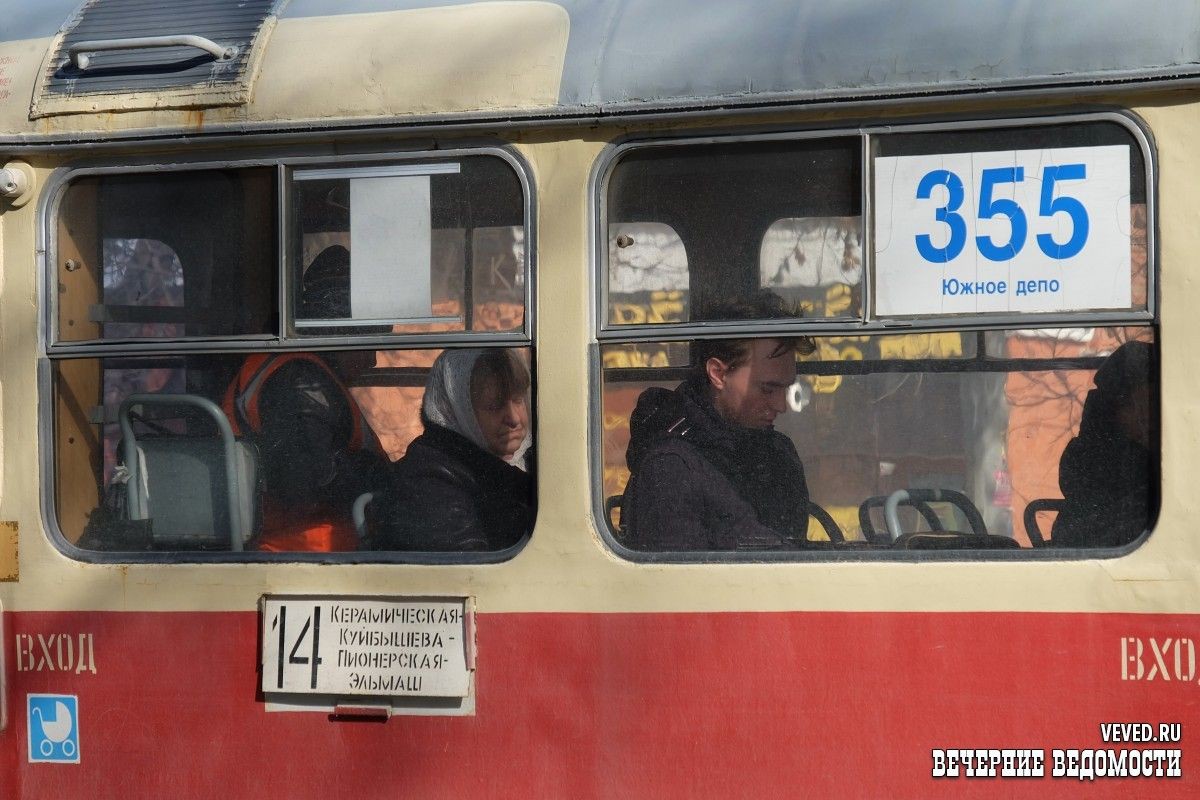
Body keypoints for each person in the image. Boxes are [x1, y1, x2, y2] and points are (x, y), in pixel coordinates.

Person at [222, 245, 388, 551]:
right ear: (343, 330)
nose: (373, 360)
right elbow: (306, 482)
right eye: (371, 338)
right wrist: (382, 478)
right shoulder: (299, 383)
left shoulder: (293, 369)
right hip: (307, 554)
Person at [621, 292, 815, 551]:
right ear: (718, 374)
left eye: (786, 389)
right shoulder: (672, 468)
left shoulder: (779, 453)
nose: (781, 405)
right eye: (768, 389)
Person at [366, 348, 534, 551]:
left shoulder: (510, 462)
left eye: (518, 400)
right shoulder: (429, 481)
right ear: (456, 410)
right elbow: (468, 573)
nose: (514, 418)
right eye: (493, 406)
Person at [1052, 341, 1156, 548]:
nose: (1152, 415)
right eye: (1146, 403)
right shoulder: (1110, 462)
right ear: (1121, 409)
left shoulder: (1102, 453)